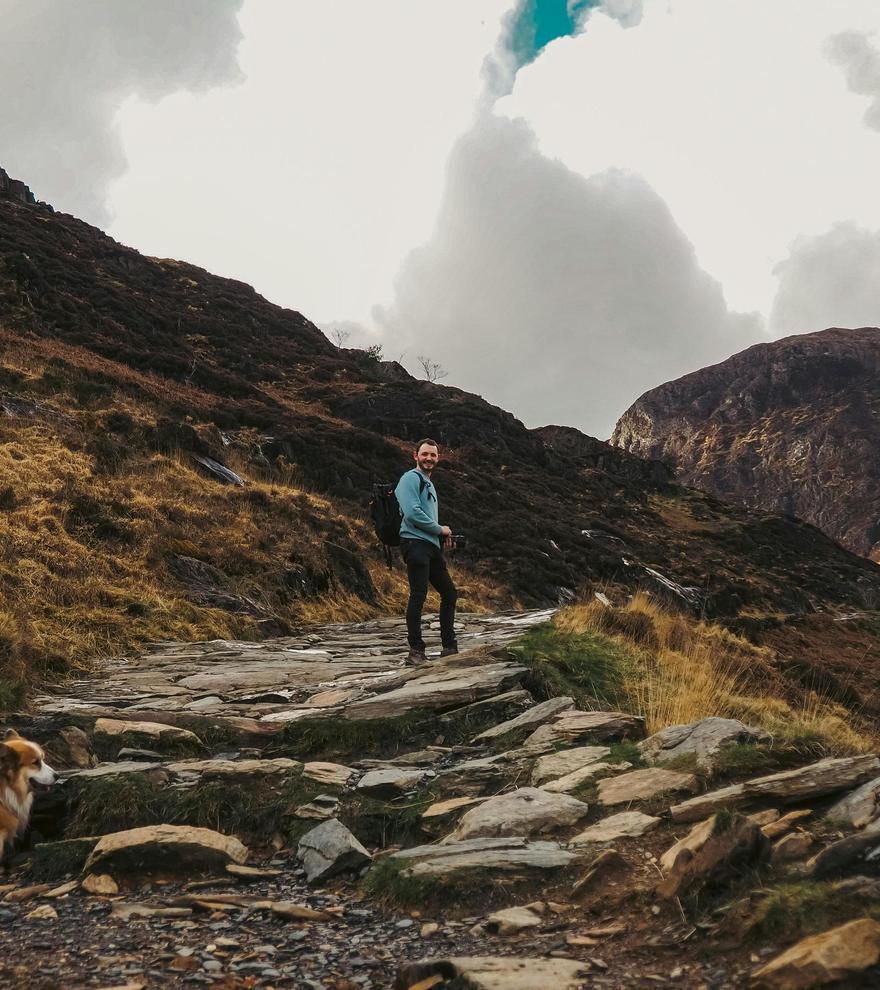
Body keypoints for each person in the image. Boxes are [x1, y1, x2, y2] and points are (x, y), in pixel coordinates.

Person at [395, 438, 458, 665]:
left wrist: (441, 537)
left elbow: (426, 519)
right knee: (418, 595)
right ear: (415, 455)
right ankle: (416, 652)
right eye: (425, 454)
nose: (429, 458)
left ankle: (450, 647)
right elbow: (412, 513)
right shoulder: (410, 478)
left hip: (430, 546)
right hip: (414, 543)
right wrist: (439, 528)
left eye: (433, 455)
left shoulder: (428, 483)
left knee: (449, 593)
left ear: (438, 458)